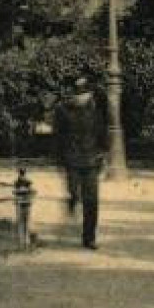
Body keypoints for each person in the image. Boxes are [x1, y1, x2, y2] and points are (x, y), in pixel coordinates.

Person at [53, 75, 108, 249]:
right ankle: (72, 200)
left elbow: (102, 133)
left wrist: (103, 155)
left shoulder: (96, 110)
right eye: (78, 94)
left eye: (84, 93)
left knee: (91, 200)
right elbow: (58, 137)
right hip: (71, 160)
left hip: (91, 160)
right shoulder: (62, 110)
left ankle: (89, 237)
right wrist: (59, 160)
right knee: (74, 192)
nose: (81, 97)